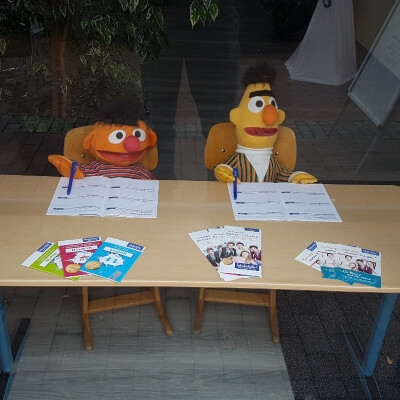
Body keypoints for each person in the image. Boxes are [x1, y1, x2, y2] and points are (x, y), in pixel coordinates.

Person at [140, 0, 240, 179]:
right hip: (160, 14)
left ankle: (221, 186)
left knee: (218, 122)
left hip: (213, 15)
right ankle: (162, 188)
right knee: (159, 118)